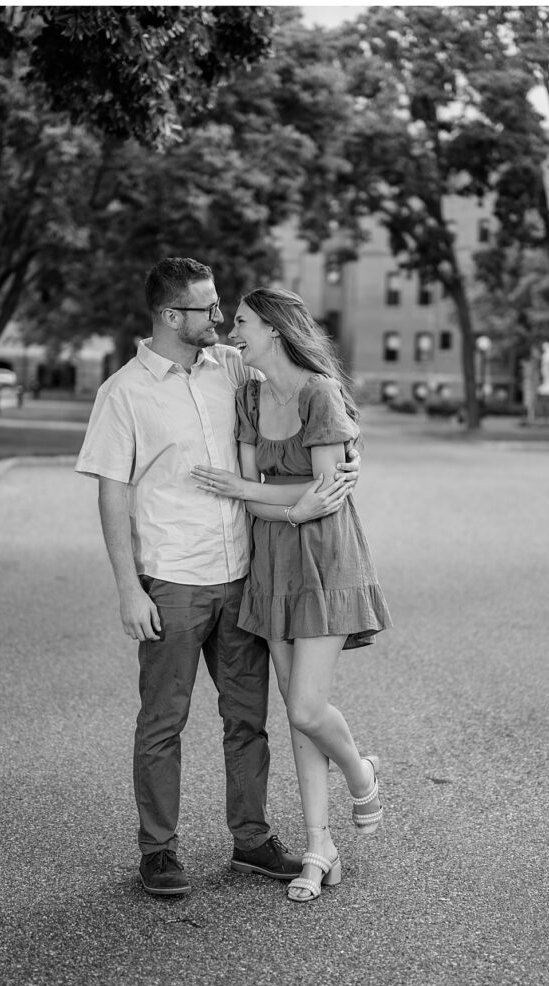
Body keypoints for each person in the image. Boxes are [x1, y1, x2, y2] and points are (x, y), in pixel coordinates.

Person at [75, 258, 360, 897]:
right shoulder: (123, 392)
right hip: (172, 579)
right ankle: (159, 851)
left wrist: (348, 455)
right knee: (162, 722)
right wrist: (127, 588)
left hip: (243, 573)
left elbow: (307, 392)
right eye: (208, 309)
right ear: (173, 317)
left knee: (248, 721)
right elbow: (112, 494)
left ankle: (253, 841)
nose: (221, 318)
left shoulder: (232, 368)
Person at [190, 287, 392, 903]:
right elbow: (254, 492)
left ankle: (361, 771)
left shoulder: (319, 394)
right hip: (273, 564)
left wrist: (280, 500)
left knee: (307, 708)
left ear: (274, 330)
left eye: (243, 322)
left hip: (326, 562)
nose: (232, 332)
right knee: (296, 713)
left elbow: (330, 491)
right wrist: (292, 505)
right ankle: (318, 847)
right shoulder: (250, 393)